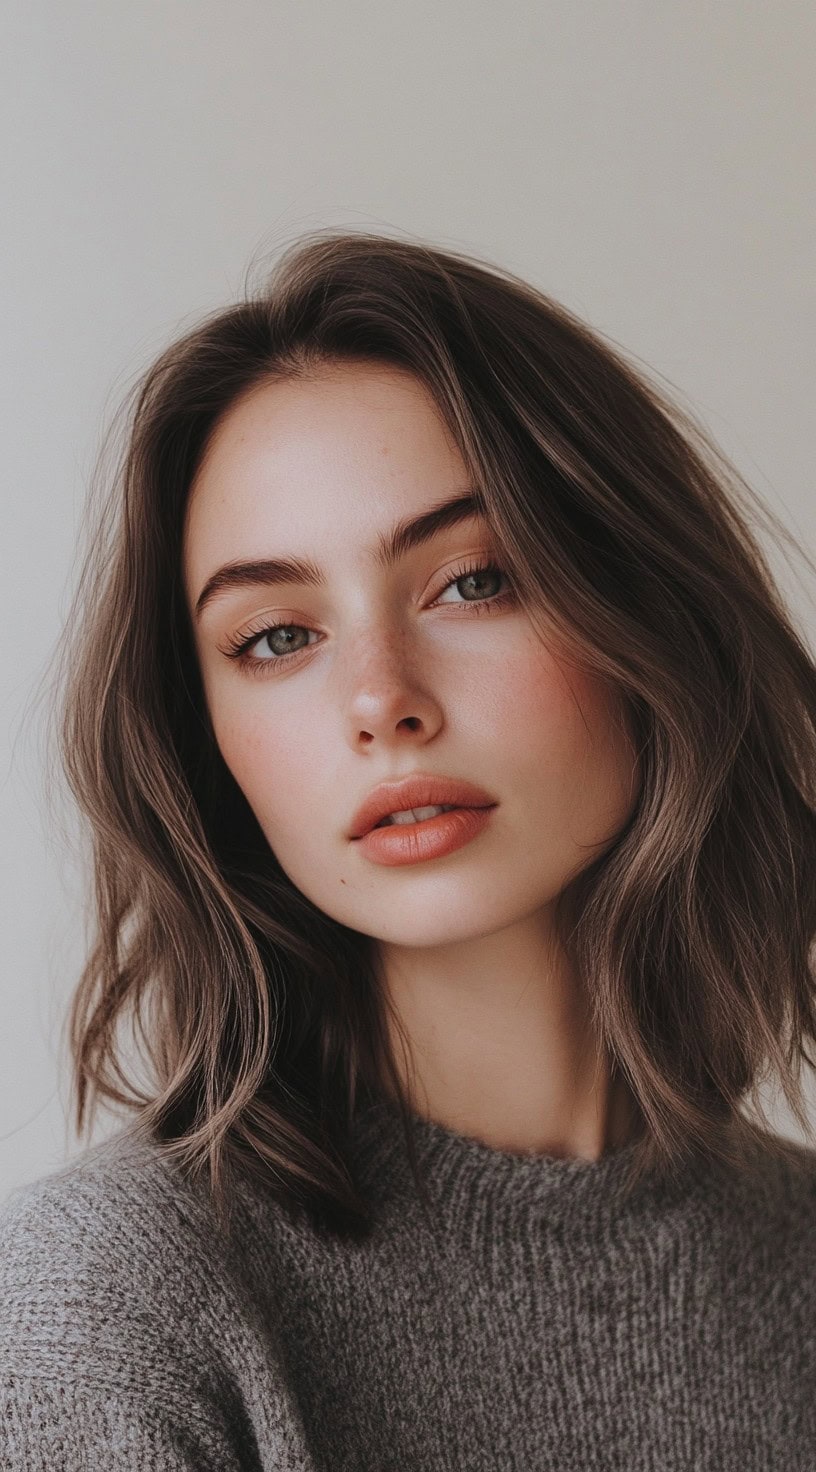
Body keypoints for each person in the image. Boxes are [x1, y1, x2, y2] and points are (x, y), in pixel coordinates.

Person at [2, 229, 815, 1469]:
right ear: (204, 733)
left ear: (648, 611)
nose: (382, 698)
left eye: (473, 581)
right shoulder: (110, 1300)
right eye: (276, 636)